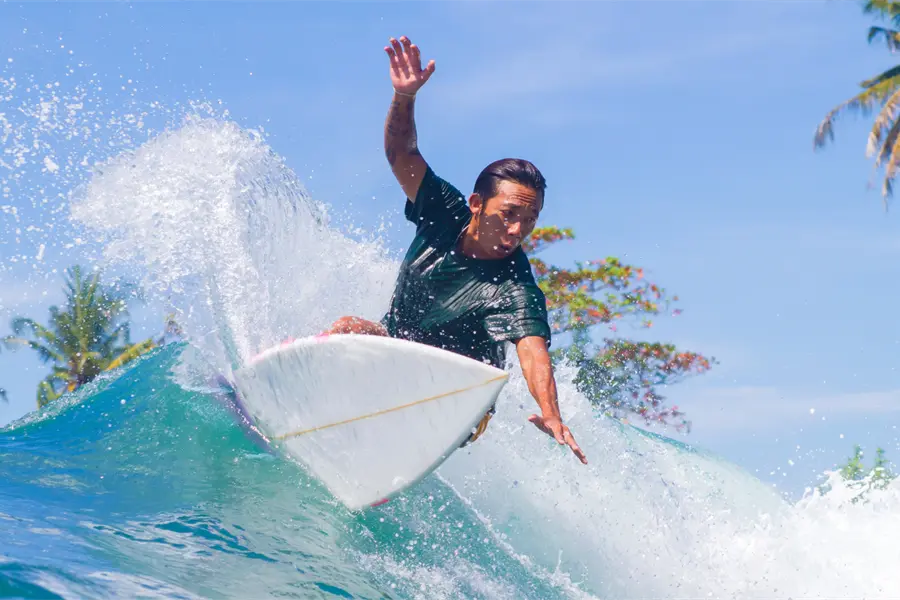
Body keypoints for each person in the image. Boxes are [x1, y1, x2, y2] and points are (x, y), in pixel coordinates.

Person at [324, 36, 587, 465]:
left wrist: (552, 414)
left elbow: (532, 349)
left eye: (531, 218)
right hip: (398, 351)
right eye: (508, 214)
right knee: (348, 327)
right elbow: (400, 153)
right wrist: (404, 95)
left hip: (456, 399)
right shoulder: (442, 211)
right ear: (477, 204)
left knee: (411, 380)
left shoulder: (514, 286)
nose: (518, 228)